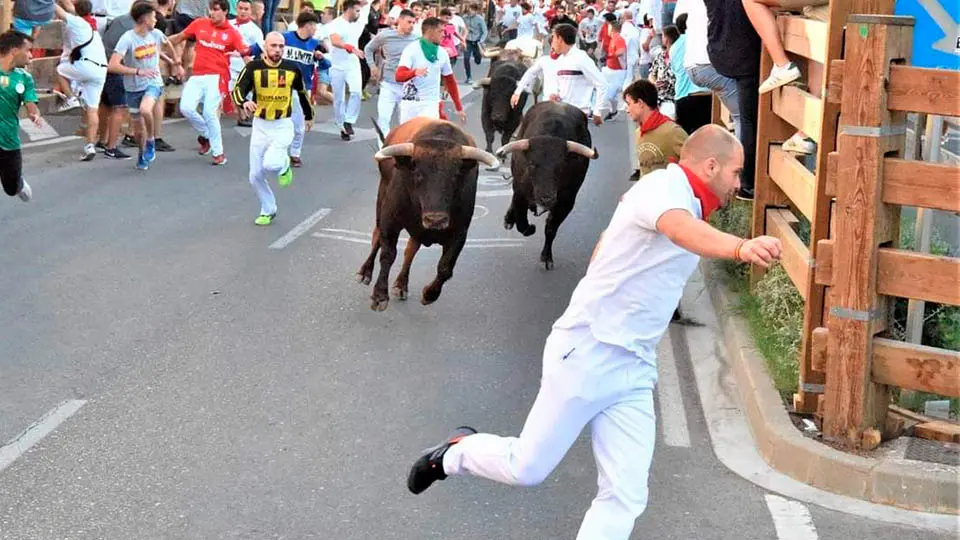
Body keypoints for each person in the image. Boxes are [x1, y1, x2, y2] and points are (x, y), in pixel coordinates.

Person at [406, 124, 783, 540]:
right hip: (587, 355)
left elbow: (608, 239)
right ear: (711, 165)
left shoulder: (682, 199)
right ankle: (455, 454)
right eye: (735, 173)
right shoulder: (665, 189)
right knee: (526, 468)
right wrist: (740, 247)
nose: (738, 183)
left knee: (625, 493)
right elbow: (677, 228)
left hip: (635, 370)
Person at [232, 31, 313, 226]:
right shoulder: (253, 68)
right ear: (265, 47)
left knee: (271, 164)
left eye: (280, 46)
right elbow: (237, 90)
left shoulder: (292, 68)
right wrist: (244, 102)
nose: (277, 50)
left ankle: (285, 164)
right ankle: (268, 209)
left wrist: (309, 115)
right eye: (273, 46)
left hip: (283, 125)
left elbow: (302, 93)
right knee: (255, 175)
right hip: (260, 126)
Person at [169, 0, 249, 165]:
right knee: (186, 107)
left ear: (225, 12)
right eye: (211, 10)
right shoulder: (200, 24)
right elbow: (178, 38)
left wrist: (258, 71)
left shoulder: (232, 33)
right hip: (198, 74)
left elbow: (245, 54)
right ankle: (206, 134)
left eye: (216, 10)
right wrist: (158, 42)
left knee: (209, 112)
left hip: (217, 76)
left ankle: (219, 154)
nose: (212, 13)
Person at [109, 1, 182, 170]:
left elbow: (166, 44)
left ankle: (151, 141)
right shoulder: (127, 38)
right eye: (153, 17)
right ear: (144, 19)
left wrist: (175, 62)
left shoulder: (156, 34)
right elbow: (113, 65)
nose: (156, 20)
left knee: (145, 110)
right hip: (133, 87)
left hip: (153, 82)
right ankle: (142, 155)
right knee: (137, 130)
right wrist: (136, 71)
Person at [247, 10, 323, 167]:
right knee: (277, 121)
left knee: (299, 126)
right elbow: (258, 47)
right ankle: (276, 150)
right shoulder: (285, 38)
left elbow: (325, 64)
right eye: (315, 26)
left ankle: (295, 153)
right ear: (308, 25)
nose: (316, 29)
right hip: (279, 85)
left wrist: (321, 57)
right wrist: (243, 51)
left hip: (302, 87)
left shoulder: (314, 44)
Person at [704, 0, 760, 199]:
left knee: (746, 119)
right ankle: (747, 181)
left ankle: (743, 181)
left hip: (722, 50)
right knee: (749, 120)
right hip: (747, 50)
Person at [511, 23, 606, 123]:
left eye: (554, 40)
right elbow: (531, 74)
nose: (552, 45)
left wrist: (597, 111)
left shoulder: (581, 58)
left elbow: (602, 84)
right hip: (559, 109)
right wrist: (556, 95)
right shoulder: (561, 60)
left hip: (576, 114)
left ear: (560, 39)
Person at [54, 0, 109, 162]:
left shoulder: (77, 22)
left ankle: (71, 98)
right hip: (101, 69)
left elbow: (61, 12)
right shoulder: (93, 26)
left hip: (87, 66)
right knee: (93, 109)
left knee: (59, 70)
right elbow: (69, 9)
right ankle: (89, 145)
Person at [395, 16, 464, 124]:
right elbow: (399, 76)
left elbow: (450, 81)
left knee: (428, 136)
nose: (443, 34)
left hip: (431, 104)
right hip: (410, 104)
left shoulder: (442, 53)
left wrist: (459, 107)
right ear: (429, 32)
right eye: (440, 31)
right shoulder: (411, 50)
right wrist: (414, 72)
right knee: (407, 139)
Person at [0, 30, 40, 203]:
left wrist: (34, 114)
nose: (30, 55)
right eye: (28, 50)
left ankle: (18, 184)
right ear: (15, 50)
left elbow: (31, 102)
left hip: (8, 139)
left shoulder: (24, 78)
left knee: (10, 188)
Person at [365, 8, 418, 134]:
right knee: (383, 118)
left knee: (406, 122)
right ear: (399, 20)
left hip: (408, 85)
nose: (411, 25)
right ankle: (382, 149)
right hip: (389, 83)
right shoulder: (385, 35)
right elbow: (368, 49)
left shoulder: (417, 39)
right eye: (408, 22)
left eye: (413, 23)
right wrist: (372, 66)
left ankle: (404, 148)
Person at [624, 78, 686, 181]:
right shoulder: (638, 133)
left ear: (640, 103)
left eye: (629, 104)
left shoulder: (673, 131)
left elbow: (695, 166)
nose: (627, 110)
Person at [327, 0, 365, 141]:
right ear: (348, 10)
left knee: (356, 91)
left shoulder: (359, 23)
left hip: (352, 64)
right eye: (356, 10)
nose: (358, 14)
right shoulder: (335, 24)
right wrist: (350, 48)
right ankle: (341, 125)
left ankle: (349, 121)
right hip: (337, 65)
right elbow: (335, 41)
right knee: (339, 99)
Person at [669, 13, 711, 136]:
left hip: (682, 96)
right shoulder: (702, 39)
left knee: (684, 140)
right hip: (705, 94)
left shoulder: (674, 47)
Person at [229, 0, 264, 127]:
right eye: (240, 8)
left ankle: (246, 116)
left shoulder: (255, 30)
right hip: (227, 64)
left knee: (243, 93)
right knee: (232, 91)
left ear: (250, 11)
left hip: (244, 65)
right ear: (236, 9)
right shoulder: (228, 24)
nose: (243, 11)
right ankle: (242, 116)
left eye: (246, 9)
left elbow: (260, 49)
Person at [647, 24, 677, 118]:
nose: (662, 39)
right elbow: (652, 74)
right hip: (660, 98)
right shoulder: (660, 56)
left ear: (667, 38)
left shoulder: (678, 56)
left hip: (674, 97)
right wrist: (654, 83)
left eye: (663, 36)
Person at [600, 18, 626, 118]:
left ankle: (614, 111)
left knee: (610, 95)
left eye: (609, 27)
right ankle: (612, 111)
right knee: (603, 89)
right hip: (609, 70)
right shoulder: (613, 39)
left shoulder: (618, 39)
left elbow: (621, 51)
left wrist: (609, 56)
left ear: (612, 28)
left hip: (617, 72)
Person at [461, 3, 486, 84]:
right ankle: (468, 77)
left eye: (472, 10)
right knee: (466, 58)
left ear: (476, 11)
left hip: (476, 41)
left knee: (478, 60)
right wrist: (462, 39)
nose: (470, 11)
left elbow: (485, 31)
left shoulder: (480, 19)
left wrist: (481, 40)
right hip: (467, 41)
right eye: (469, 9)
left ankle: (477, 57)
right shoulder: (464, 18)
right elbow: (461, 29)